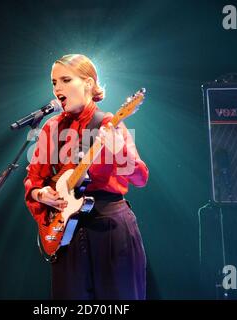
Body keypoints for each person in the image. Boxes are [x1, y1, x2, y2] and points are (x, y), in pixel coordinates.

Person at [23, 54, 149, 300]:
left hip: (110, 228)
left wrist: (118, 149)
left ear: (89, 84)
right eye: (54, 82)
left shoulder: (109, 123)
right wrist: (42, 194)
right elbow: (34, 179)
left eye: (65, 80)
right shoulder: (51, 127)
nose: (57, 87)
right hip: (67, 230)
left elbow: (140, 178)